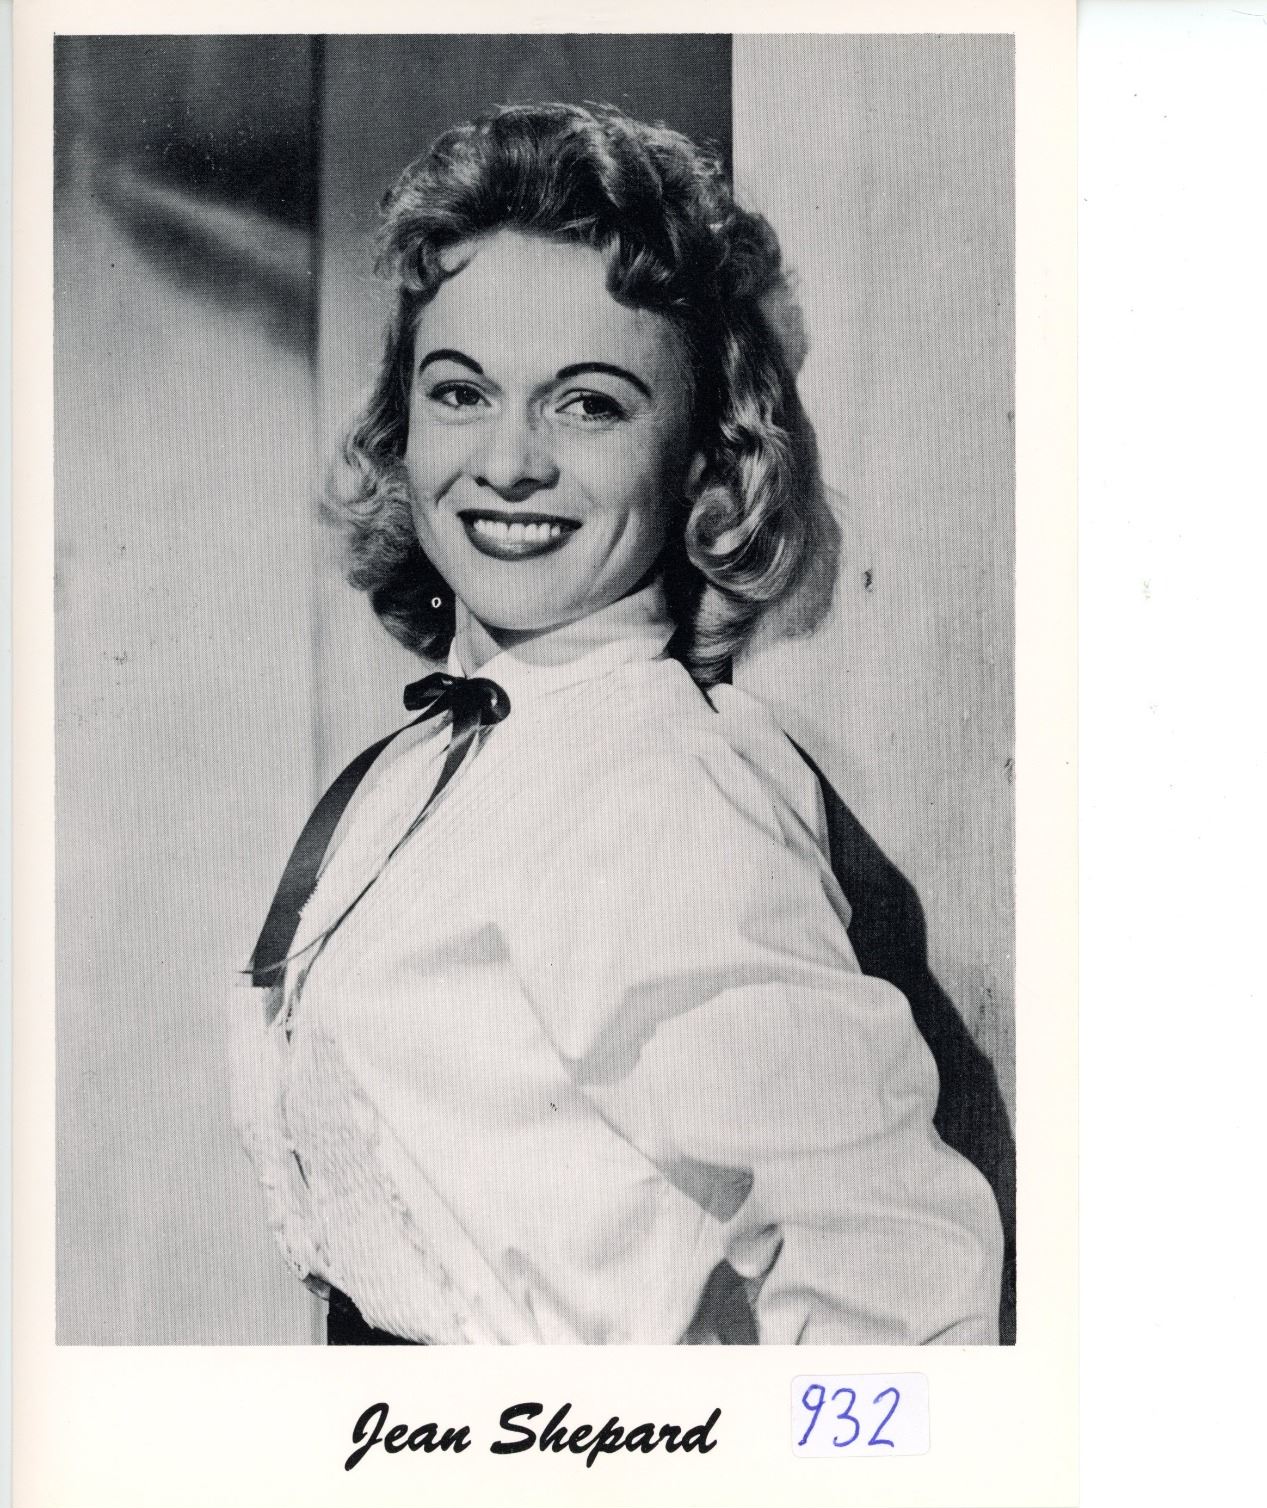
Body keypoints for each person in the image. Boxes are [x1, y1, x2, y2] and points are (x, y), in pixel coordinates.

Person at [231, 101, 1004, 1346]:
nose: (509, 462)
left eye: (587, 404)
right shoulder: (440, 760)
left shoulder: (655, 789)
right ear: (402, 424)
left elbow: (895, 1286)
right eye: (460, 391)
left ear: (701, 456)